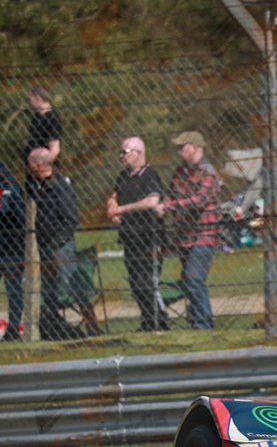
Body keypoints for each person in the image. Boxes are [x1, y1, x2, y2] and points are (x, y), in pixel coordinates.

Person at [26, 148, 97, 339]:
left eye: (31, 165)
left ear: (40, 166)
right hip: (44, 244)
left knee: (73, 283)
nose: (28, 169)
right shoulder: (37, 184)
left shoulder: (60, 186)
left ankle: (92, 327)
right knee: (48, 286)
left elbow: (71, 218)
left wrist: (57, 241)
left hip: (61, 243)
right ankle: (51, 325)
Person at [156, 131, 223, 330]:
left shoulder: (208, 172)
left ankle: (203, 325)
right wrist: (164, 203)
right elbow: (172, 194)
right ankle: (196, 322)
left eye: (181, 146)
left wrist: (170, 206)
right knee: (189, 280)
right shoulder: (180, 172)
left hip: (205, 234)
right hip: (184, 236)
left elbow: (199, 201)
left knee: (195, 278)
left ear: (194, 147)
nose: (178, 151)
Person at [106, 137, 169, 332]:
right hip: (130, 238)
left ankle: (160, 322)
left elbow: (151, 201)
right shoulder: (123, 176)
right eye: (121, 152)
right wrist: (112, 208)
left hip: (149, 238)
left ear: (138, 153)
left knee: (147, 282)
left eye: (125, 152)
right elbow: (113, 197)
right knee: (135, 285)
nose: (121, 156)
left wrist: (122, 209)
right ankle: (148, 322)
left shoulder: (150, 175)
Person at [0, 160, 26, 341]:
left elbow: (5, 209)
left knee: (14, 289)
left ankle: (14, 327)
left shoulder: (10, 187)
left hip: (11, 248)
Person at [24, 86, 63, 165]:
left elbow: (55, 149)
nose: (29, 103)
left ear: (37, 99)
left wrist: (43, 168)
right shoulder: (36, 117)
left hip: (43, 168)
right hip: (34, 168)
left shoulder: (52, 118)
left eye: (30, 99)